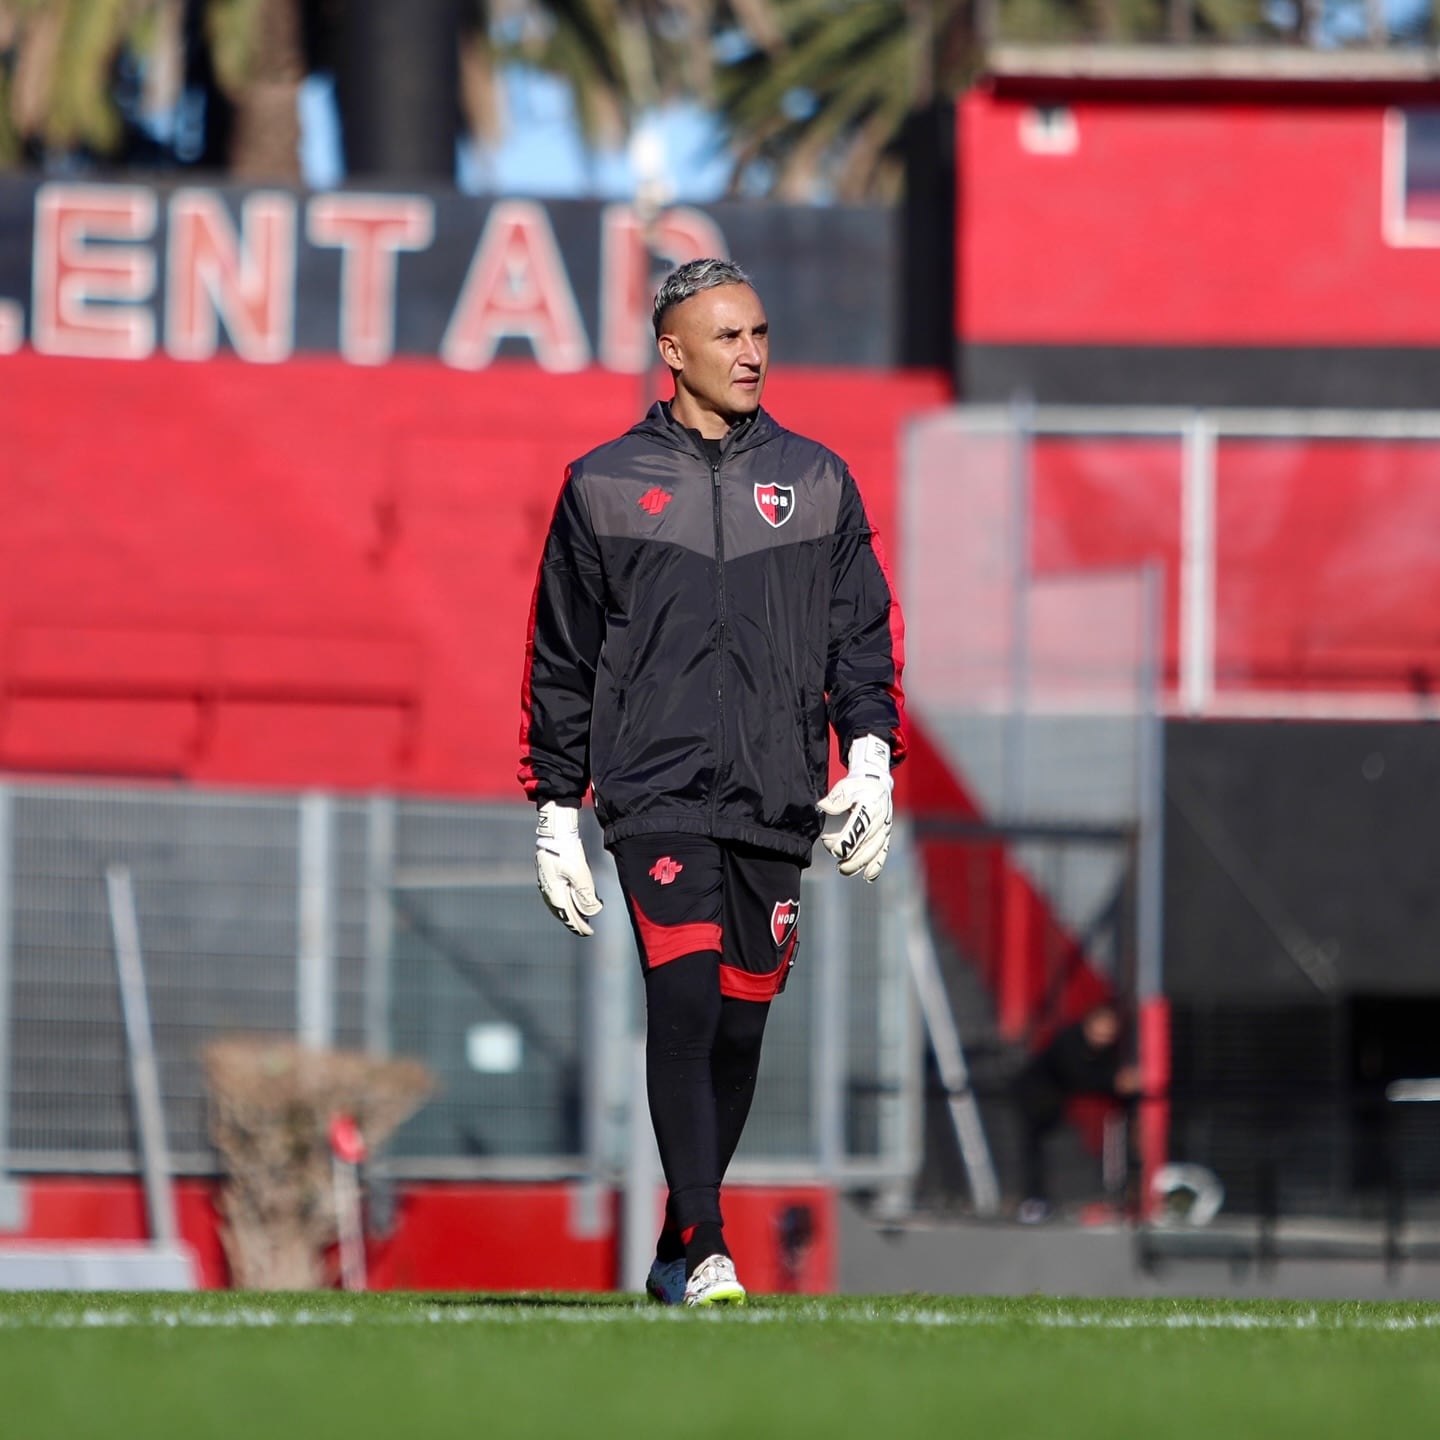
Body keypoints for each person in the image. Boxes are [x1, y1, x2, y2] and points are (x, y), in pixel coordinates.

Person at [518, 257, 906, 1306]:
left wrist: (869, 755)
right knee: (682, 1001)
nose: (751, 354)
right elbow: (561, 656)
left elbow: (860, 638)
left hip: (780, 793)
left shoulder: (819, 478)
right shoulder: (601, 481)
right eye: (728, 337)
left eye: (760, 334)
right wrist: (557, 807)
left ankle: (673, 1243)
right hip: (654, 793)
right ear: (672, 351)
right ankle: (713, 1244)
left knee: (740, 1022)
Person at [1012, 1001, 1141, 1224]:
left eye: (1110, 1031)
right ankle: (1034, 1201)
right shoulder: (1068, 1042)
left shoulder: (1109, 1051)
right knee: (1035, 1148)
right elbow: (1079, 1076)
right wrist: (1114, 1082)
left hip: (1062, 1101)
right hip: (1038, 1098)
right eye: (1101, 1029)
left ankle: (1122, 1195)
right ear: (1089, 1025)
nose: (1104, 1036)